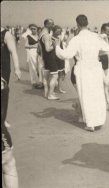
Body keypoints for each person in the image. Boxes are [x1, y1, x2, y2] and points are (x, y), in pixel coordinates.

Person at [55, 15, 109, 132]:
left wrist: (57, 46)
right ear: (87, 23)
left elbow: (66, 55)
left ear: (78, 25)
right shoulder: (95, 36)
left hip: (83, 68)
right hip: (95, 67)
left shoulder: (76, 39)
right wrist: (96, 53)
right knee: (97, 94)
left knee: (86, 95)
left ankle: (90, 123)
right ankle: (99, 120)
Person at [1, 26, 21, 188]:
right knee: (8, 166)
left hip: (3, 71)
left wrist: (16, 68)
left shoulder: (5, 34)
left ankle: (3, 119)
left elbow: (13, 51)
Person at [39, 19, 59, 100]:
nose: (53, 26)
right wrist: (54, 45)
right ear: (47, 24)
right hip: (50, 57)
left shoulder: (41, 34)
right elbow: (47, 49)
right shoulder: (46, 35)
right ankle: (50, 95)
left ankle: (46, 92)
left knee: (46, 76)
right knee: (55, 75)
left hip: (45, 57)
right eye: (52, 24)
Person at [21, 24, 43, 89]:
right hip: (32, 52)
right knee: (33, 67)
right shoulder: (28, 36)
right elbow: (26, 46)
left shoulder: (39, 36)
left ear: (37, 29)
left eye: (34, 29)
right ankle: (34, 82)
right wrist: (34, 46)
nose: (33, 30)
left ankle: (40, 81)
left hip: (39, 53)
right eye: (31, 29)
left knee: (40, 67)